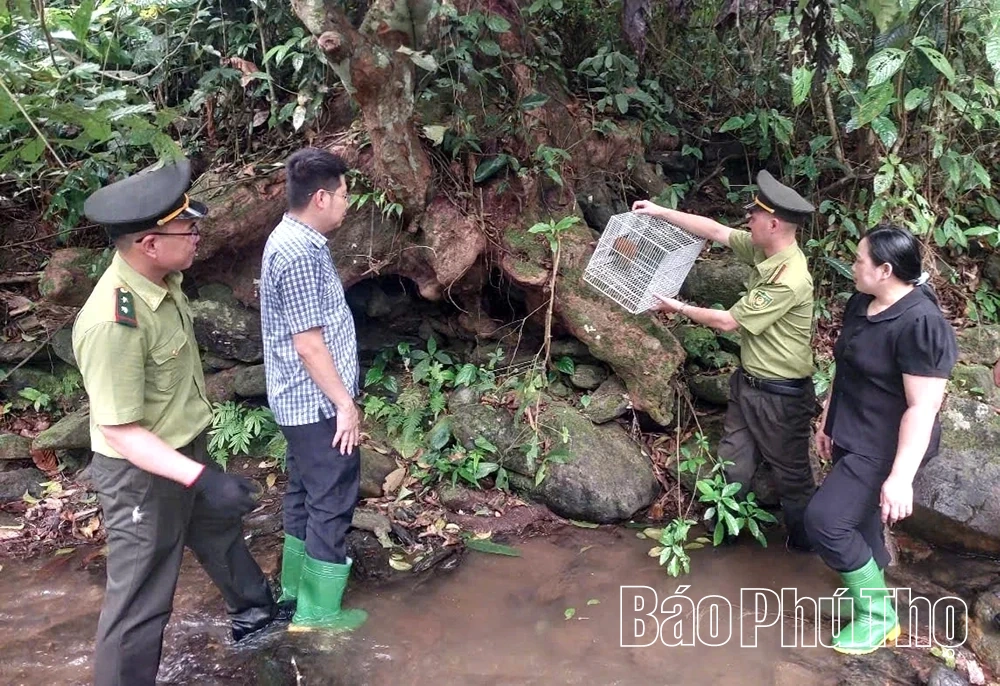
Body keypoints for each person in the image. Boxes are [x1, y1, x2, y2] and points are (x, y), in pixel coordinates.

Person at [74, 158, 286, 686]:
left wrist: (200, 471)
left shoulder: (163, 281)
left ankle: (256, 615)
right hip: (141, 475)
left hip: (184, 448)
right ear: (149, 244)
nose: (197, 237)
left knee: (219, 534)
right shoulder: (113, 322)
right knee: (141, 595)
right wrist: (201, 479)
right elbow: (120, 431)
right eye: (188, 230)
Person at [632, 170, 817, 551]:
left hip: (781, 396)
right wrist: (660, 212)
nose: (748, 219)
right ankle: (724, 544)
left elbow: (728, 322)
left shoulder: (789, 277)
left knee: (793, 478)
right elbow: (715, 230)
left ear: (773, 224)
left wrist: (675, 306)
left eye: (754, 215)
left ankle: (805, 553)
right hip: (748, 383)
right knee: (732, 464)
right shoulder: (765, 249)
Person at [804, 225, 957, 654]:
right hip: (852, 428)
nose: (852, 266)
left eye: (859, 260)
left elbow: (923, 408)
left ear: (886, 270)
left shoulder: (921, 323)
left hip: (887, 445)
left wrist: (900, 478)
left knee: (826, 521)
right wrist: (828, 421)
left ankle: (878, 614)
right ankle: (871, 595)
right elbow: (846, 366)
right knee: (859, 519)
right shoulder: (863, 301)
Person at [259, 148, 367, 632]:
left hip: (297, 401)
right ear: (321, 197)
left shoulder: (292, 238)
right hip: (317, 403)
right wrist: (345, 404)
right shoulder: (299, 253)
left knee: (304, 493)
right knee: (332, 499)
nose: (347, 203)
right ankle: (319, 616)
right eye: (344, 195)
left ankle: (294, 594)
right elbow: (308, 343)